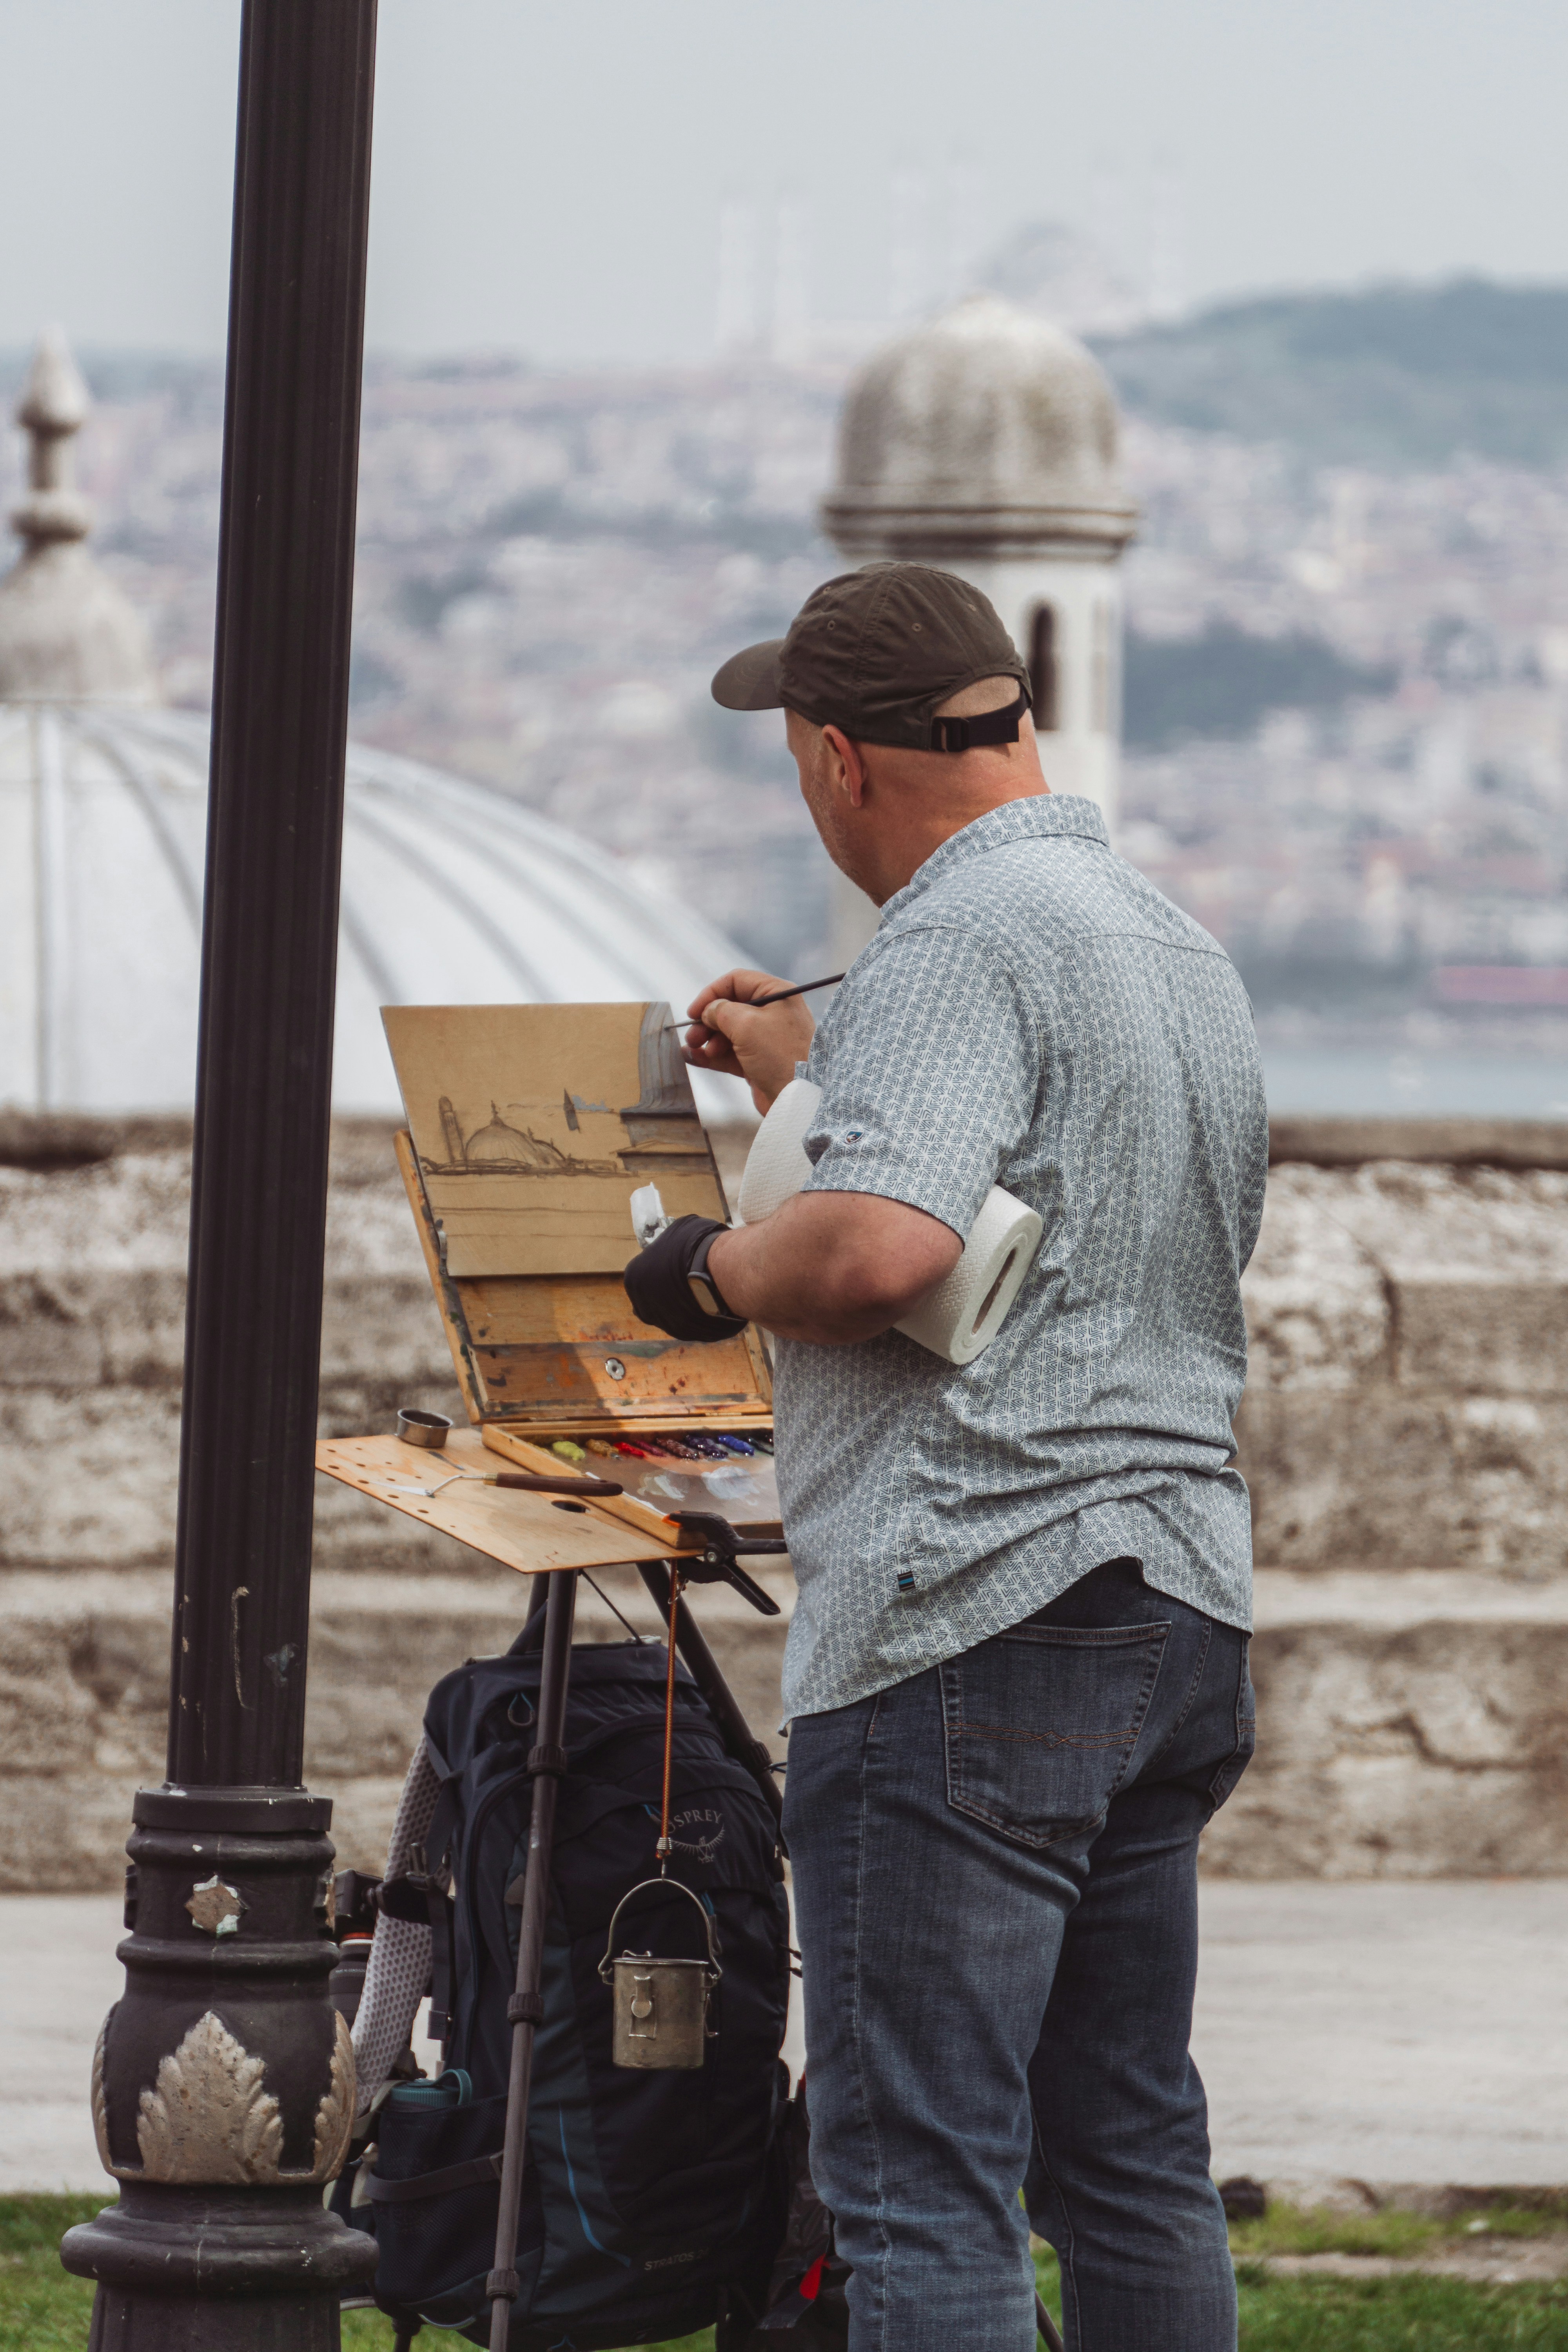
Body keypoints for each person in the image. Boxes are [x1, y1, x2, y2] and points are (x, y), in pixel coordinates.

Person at [624, 560, 1267, 2352]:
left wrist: (702, 1269)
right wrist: (810, 1074)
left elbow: (881, 1252)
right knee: (1130, 2152)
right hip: (1173, 1604)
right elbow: (1029, 1201)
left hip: (966, 1614)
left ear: (836, 759)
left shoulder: (949, 940)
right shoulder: (1167, 942)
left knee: (919, 2171)